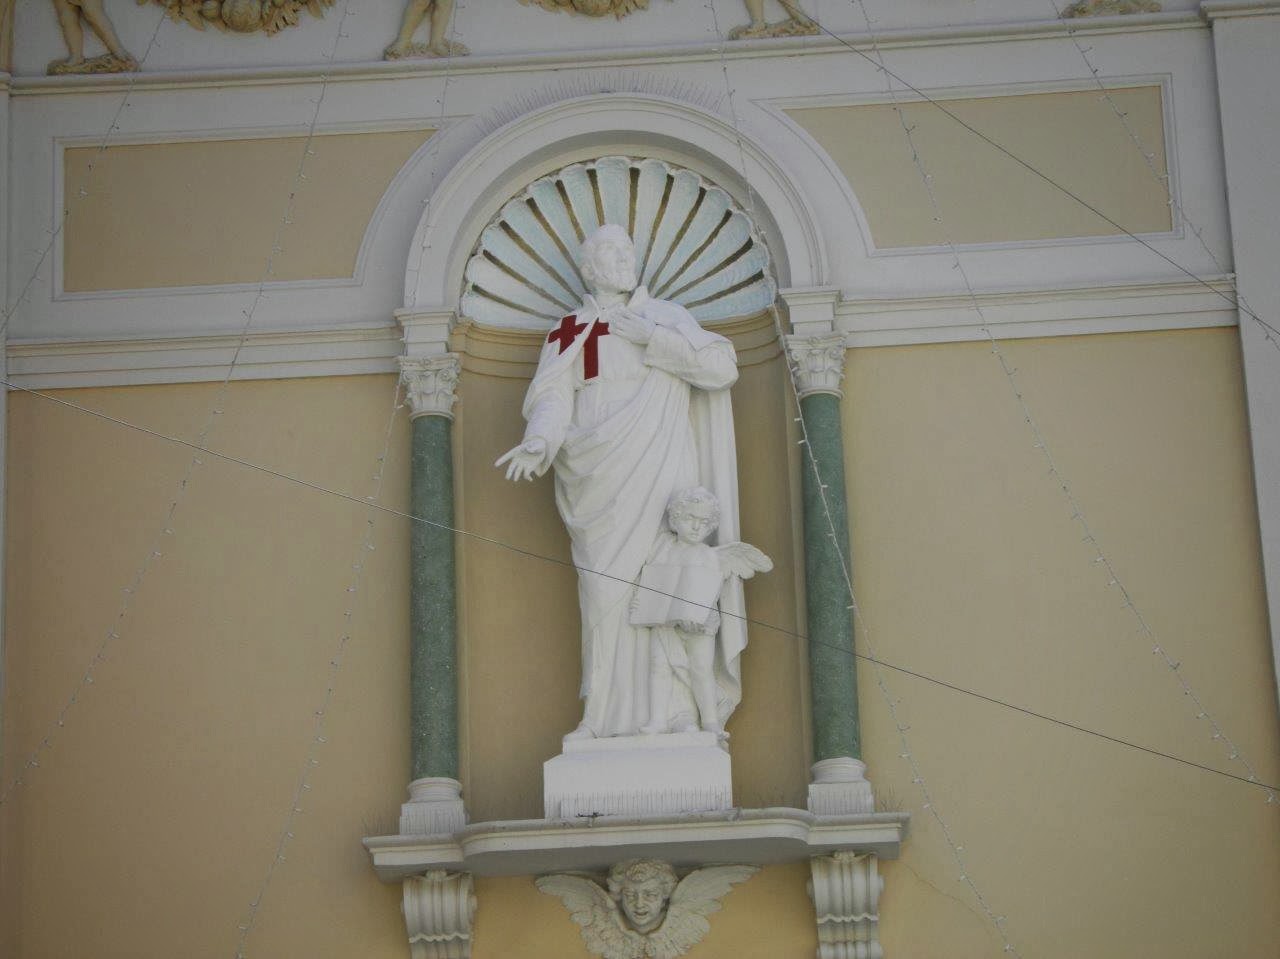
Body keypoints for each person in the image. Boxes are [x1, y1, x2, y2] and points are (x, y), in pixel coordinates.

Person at [496, 225, 745, 741]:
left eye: (628, 250)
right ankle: (601, 715)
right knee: (603, 593)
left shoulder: (665, 317)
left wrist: (652, 339)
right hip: (596, 474)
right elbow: (553, 396)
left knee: (663, 585)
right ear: (588, 269)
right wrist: (540, 441)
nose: (623, 258)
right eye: (610, 251)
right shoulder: (570, 329)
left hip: (661, 466)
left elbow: (721, 368)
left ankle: (675, 711)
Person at [632, 487, 771, 741]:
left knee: (701, 670)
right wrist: (642, 604)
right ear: (675, 519)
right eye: (689, 519)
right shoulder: (663, 549)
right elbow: (653, 582)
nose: (696, 527)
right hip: (664, 622)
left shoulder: (707, 555)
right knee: (658, 666)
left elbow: (710, 589)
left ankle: (710, 721)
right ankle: (658, 719)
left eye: (704, 522)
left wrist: (697, 614)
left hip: (699, 624)